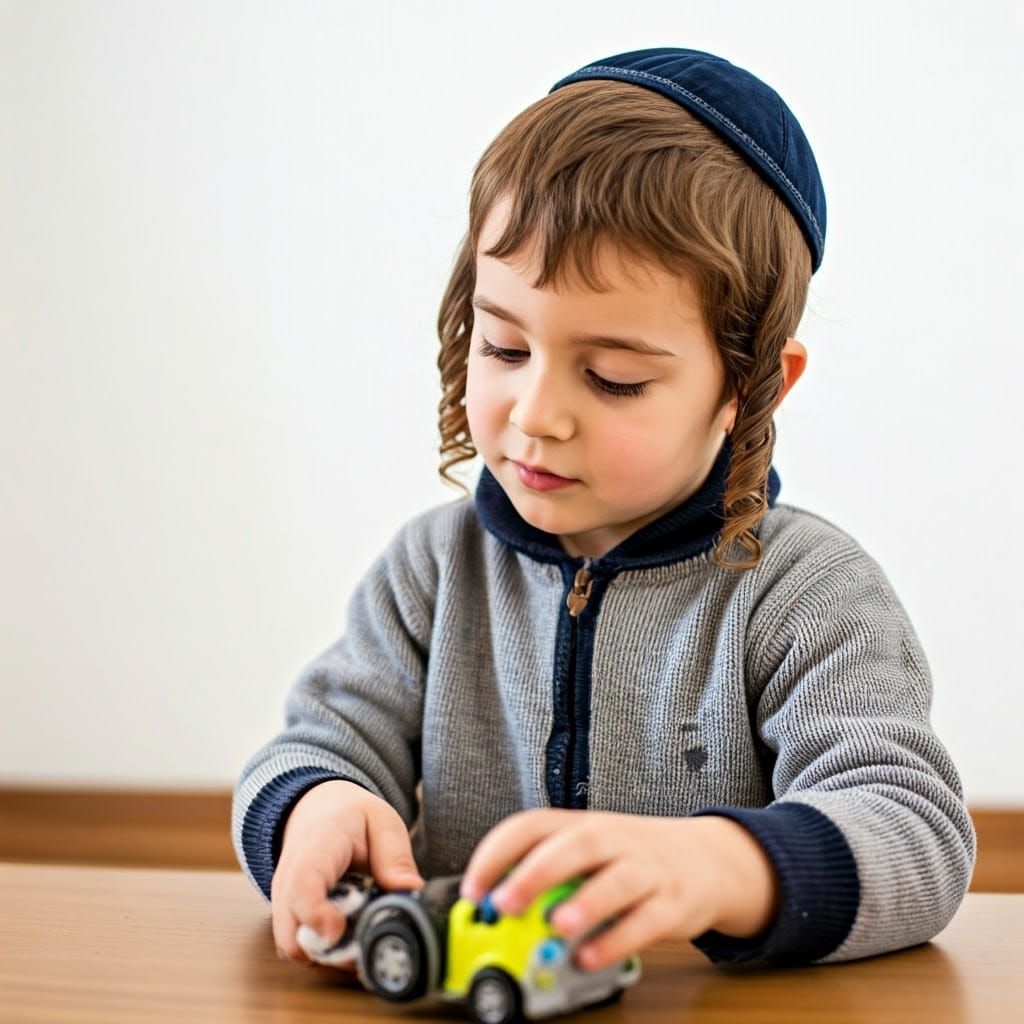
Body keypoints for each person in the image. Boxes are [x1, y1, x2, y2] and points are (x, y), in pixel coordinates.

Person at [231, 46, 975, 974]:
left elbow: (918, 833)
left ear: (753, 388)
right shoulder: (432, 570)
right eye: (503, 348)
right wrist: (315, 807)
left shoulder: (808, 594)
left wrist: (717, 864)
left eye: (613, 377)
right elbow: (312, 743)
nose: (537, 414)